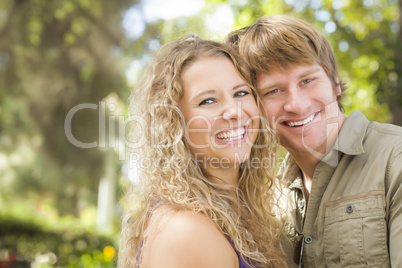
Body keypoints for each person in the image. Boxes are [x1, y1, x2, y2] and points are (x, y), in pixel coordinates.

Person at [225, 14, 402, 267]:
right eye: (273, 91)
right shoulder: (268, 200)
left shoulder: (395, 160)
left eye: (307, 80)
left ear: (335, 83)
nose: (296, 105)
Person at [117, 35, 287, 268]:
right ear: (174, 123)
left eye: (240, 93)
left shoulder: (236, 213)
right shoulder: (187, 229)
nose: (233, 111)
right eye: (208, 101)